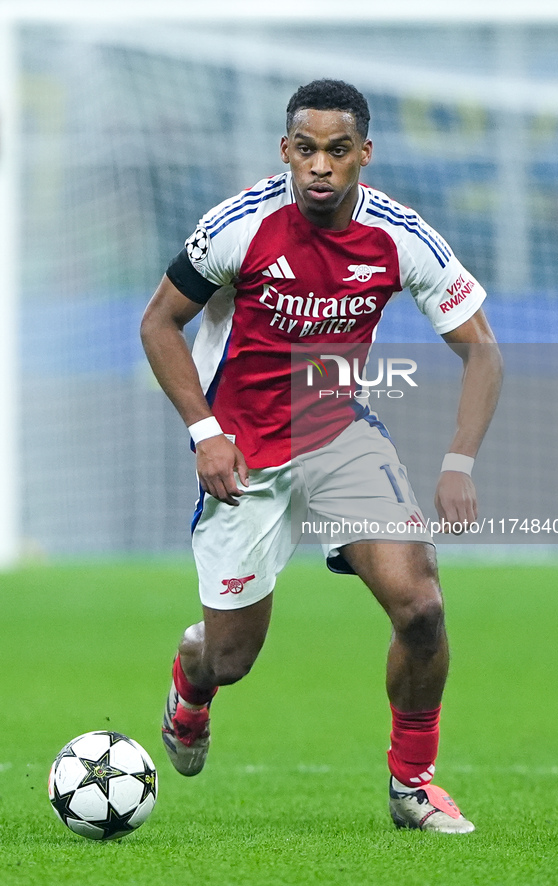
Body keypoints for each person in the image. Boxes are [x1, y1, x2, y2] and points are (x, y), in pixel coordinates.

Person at [140, 79, 503, 834]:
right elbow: (157, 325)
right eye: (305, 149)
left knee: (421, 604)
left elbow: (483, 353)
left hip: (339, 436)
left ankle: (412, 787)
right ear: (285, 151)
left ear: (362, 155)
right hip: (243, 454)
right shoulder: (239, 225)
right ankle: (192, 680)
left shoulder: (400, 237)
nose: (319, 167)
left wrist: (458, 463)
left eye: (338, 151)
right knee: (231, 658)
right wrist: (206, 434)